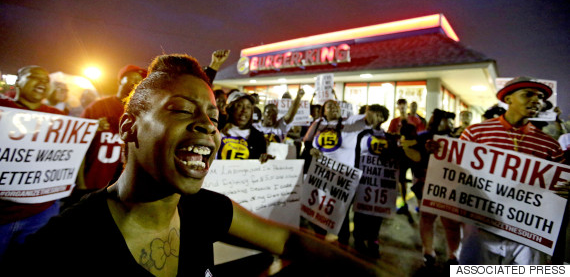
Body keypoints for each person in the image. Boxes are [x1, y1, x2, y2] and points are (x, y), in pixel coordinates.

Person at [2, 54, 389, 277]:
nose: (207, 125)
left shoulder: (206, 209)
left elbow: (290, 241)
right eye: (182, 110)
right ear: (129, 127)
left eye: (213, 117)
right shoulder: (61, 248)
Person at [459, 76, 566, 265]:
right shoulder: (475, 133)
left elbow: (560, 185)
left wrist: (564, 190)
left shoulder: (550, 144)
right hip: (482, 227)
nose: (537, 100)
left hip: (529, 231)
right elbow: (456, 172)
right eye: (528, 95)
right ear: (508, 99)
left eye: (540, 97)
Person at [0, 66, 64, 261]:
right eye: (35, 77)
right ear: (18, 81)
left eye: (46, 80)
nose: (43, 83)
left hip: (41, 211)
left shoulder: (58, 117)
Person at [70, 64, 147, 207]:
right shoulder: (97, 107)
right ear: (119, 81)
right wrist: (81, 184)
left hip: (126, 187)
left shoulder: (143, 112)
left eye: (140, 80)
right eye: (132, 78)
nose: (136, 83)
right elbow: (76, 144)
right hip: (94, 182)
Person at [302, 99, 370, 245]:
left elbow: (366, 120)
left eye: (335, 106)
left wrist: (371, 112)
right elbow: (307, 142)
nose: (333, 109)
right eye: (329, 107)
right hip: (321, 173)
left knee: (340, 209)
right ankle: (320, 237)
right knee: (320, 206)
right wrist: (311, 150)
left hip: (342, 175)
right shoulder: (318, 123)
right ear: (324, 111)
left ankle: (343, 241)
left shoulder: (349, 122)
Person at [414, 109, 462, 267]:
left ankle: (453, 255)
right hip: (426, 183)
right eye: (446, 120)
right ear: (436, 121)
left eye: (451, 121)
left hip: (449, 186)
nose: (450, 124)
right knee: (427, 217)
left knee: (451, 222)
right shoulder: (422, 138)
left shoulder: (458, 139)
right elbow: (414, 159)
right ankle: (428, 251)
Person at [353, 104, 400, 257]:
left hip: (380, 180)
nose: (374, 116)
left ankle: (374, 239)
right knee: (360, 211)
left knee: (376, 212)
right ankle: (358, 239)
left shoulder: (388, 137)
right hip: (362, 178)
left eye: (378, 115)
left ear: (383, 118)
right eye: (371, 113)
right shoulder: (359, 133)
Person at [218, 91, 269, 161]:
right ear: (230, 108)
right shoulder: (217, 128)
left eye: (248, 107)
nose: (244, 110)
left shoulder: (258, 137)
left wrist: (264, 159)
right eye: (239, 105)